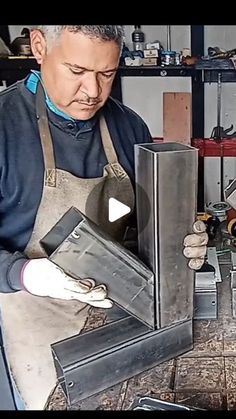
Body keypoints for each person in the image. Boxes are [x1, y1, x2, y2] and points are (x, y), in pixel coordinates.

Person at [0, 25, 208, 410]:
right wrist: (25, 274)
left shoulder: (128, 126)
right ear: (39, 47)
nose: (93, 91)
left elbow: (138, 221)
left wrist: (180, 239)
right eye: (77, 71)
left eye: (107, 74)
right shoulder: (4, 128)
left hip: (121, 310)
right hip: (37, 318)